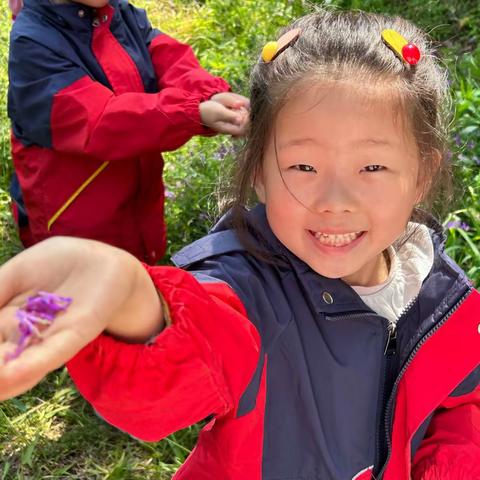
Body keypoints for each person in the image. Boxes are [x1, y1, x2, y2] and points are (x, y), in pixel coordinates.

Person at [1, 9, 479, 480]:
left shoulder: (444, 297)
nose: (336, 202)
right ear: (259, 174)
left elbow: (461, 404)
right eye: (303, 168)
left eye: (372, 168)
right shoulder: (247, 294)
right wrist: (129, 296)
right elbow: (179, 367)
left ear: (423, 175)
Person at [8, 0, 249, 264]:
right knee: (88, 292)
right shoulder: (33, 44)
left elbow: (165, 58)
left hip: (134, 201)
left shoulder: (115, 13)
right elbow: (99, 120)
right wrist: (190, 112)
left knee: (139, 271)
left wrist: (209, 92)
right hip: (74, 221)